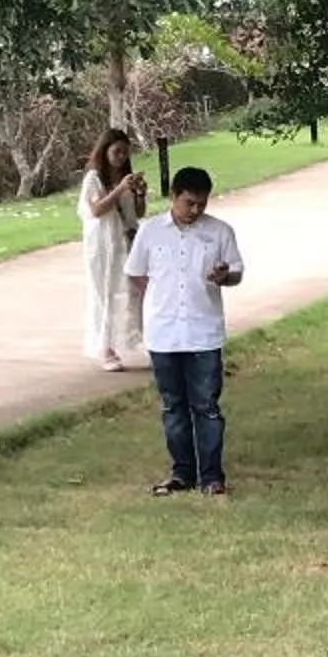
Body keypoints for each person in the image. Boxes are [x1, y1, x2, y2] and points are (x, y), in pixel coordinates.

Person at [124, 166, 245, 497]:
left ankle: (211, 476)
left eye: (202, 204)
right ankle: (182, 473)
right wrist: (158, 299)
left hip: (203, 331)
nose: (196, 211)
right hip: (164, 332)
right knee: (173, 406)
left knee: (206, 406)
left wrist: (224, 277)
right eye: (189, 203)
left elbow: (236, 273)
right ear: (174, 196)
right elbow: (135, 274)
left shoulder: (220, 232)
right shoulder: (150, 232)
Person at [79, 128, 149, 368]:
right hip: (104, 245)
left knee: (137, 291)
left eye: (124, 153)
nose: (120, 157)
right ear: (105, 151)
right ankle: (106, 348)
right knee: (105, 292)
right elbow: (96, 210)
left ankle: (144, 341)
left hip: (128, 241)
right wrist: (120, 189)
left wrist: (140, 194)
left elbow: (138, 213)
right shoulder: (93, 179)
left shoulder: (127, 176)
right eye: (116, 151)